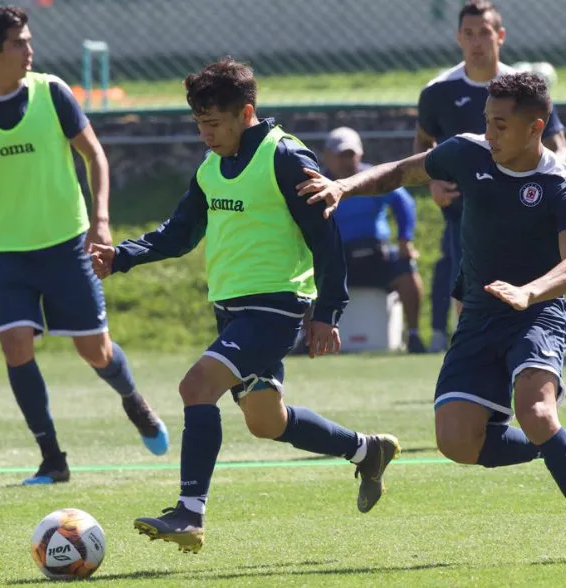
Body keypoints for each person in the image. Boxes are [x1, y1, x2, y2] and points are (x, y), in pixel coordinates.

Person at [299, 72, 566, 563]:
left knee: (535, 412)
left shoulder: (560, 185)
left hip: (536, 315)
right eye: (486, 122)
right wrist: (343, 186)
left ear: (535, 127)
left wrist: (529, 291)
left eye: (500, 125)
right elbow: (400, 173)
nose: (488, 134)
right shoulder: (468, 152)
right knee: (458, 443)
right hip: (477, 315)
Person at [89, 58, 400, 554]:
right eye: (198, 124)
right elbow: (179, 233)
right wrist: (122, 256)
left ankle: (190, 513)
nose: (205, 135)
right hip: (232, 311)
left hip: (275, 309)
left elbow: (326, 239)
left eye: (212, 124)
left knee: (196, 386)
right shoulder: (213, 166)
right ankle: (366, 449)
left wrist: (327, 313)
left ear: (245, 113)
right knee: (266, 422)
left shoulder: (286, 159)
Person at [0, 5, 169, 485]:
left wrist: (100, 220)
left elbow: (94, 155)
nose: (30, 49)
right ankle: (53, 459)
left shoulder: (52, 93)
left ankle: (133, 400)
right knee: (15, 347)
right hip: (8, 256)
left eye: (29, 41)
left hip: (66, 247)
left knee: (94, 351)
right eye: (19, 43)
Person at [415, 0, 566, 352]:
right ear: (458, 38)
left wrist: (551, 183)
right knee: (469, 300)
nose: (477, 42)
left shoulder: (525, 89)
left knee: (531, 294)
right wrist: (434, 182)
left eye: (484, 33)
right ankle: (473, 371)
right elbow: (423, 147)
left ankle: (532, 359)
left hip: (525, 213)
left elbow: (558, 146)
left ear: (500, 35)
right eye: (468, 34)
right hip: (466, 216)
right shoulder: (438, 91)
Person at [323, 126, 426, 353]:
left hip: (376, 254)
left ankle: (414, 336)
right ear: (327, 156)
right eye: (341, 156)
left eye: (351, 155)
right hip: (338, 258)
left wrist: (404, 241)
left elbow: (404, 204)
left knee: (407, 272)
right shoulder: (319, 185)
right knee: (308, 276)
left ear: (360, 155)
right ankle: (307, 338)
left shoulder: (373, 178)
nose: (347, 162)